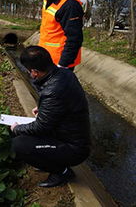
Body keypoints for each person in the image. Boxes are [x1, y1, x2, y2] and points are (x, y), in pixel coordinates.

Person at [10, 46, 91, 188]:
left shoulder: (53, 91)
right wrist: (43, 108)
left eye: (30, 72)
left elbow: (40, 127)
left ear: (35, 72)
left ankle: (62, 172)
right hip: (70, 135)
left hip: (74, 148)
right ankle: (49, 160)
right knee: (28, 137)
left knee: (19, 144)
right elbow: (65, 102)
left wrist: (17, 128)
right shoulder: (65, 74)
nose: (30, 74)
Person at [34, 0, 84, 70]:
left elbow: (74, 38)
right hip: (47, 58)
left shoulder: (70, 4)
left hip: (59, 62)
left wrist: (63, 65)